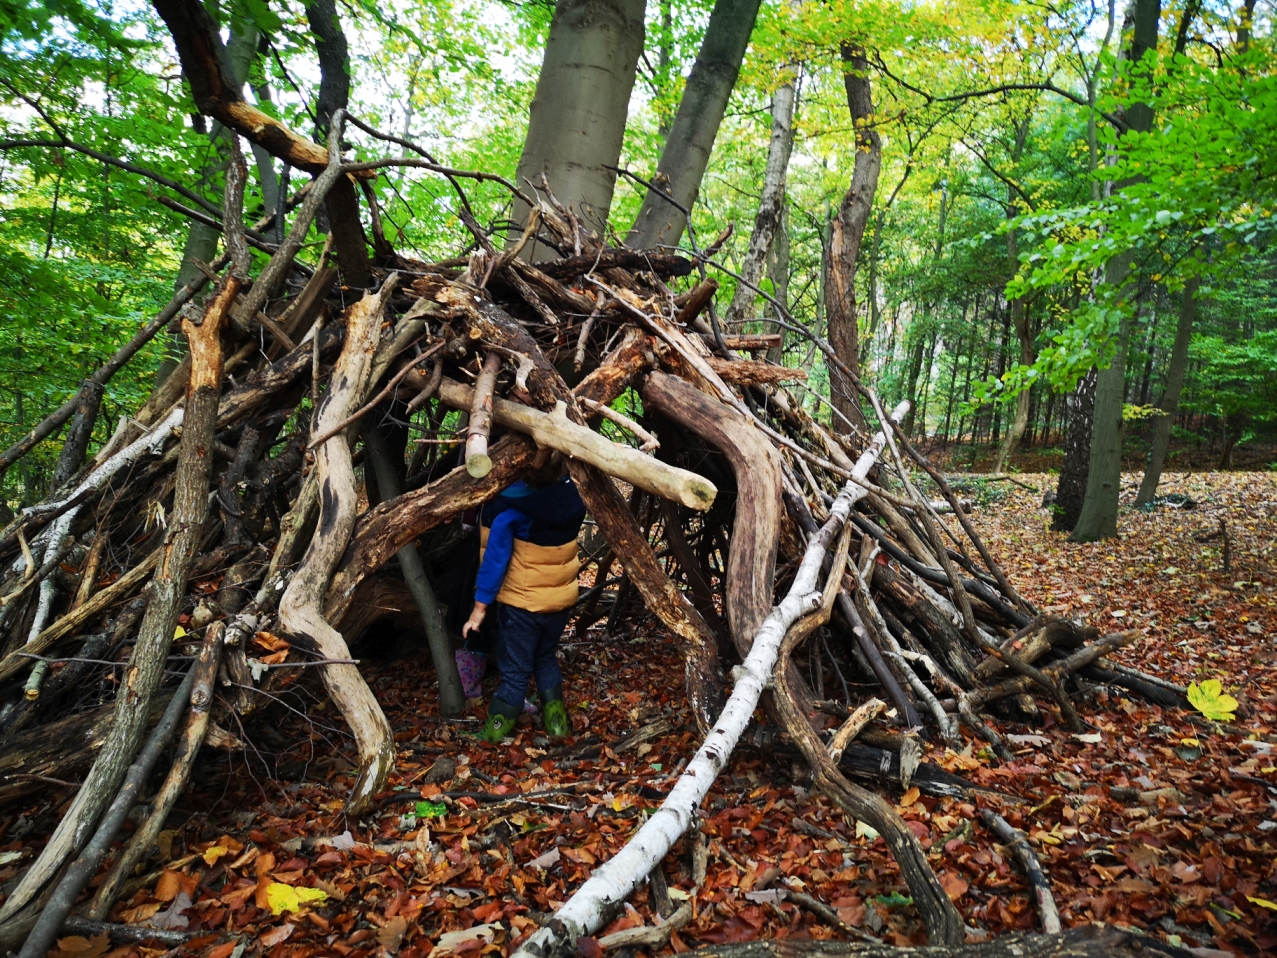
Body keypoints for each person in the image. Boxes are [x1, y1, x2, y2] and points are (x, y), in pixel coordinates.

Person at [462, 453, 585, 742]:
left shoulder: (509, 510)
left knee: (515, 671)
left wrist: (479, 609)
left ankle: (493, 736)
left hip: (522, 606)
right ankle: (557, 726)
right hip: (558, 603)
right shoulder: (572, 497)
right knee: (545, 659)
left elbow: (495, 562)